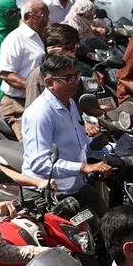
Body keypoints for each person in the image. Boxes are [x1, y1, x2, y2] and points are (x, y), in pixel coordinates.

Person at [24, 53, 114, 215]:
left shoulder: (70, 102)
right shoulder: (40, 113)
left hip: (75, 185)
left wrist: (109, 152)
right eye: (68, 78)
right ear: (49, 82)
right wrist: (83, 167)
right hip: (51, 193)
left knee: (106, 222)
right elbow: (39, 163)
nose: (75, 82)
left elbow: (79, 143)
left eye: (76, 76)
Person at [0, 0, 50, 133]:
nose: (46, 20)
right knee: (31, 144)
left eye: (48, 16)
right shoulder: (15, 39)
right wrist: (34, 87)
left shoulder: (40, 36)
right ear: (27, 17)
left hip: (39, 102)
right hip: (17, 104)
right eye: (43, 16)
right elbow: (6, 74)